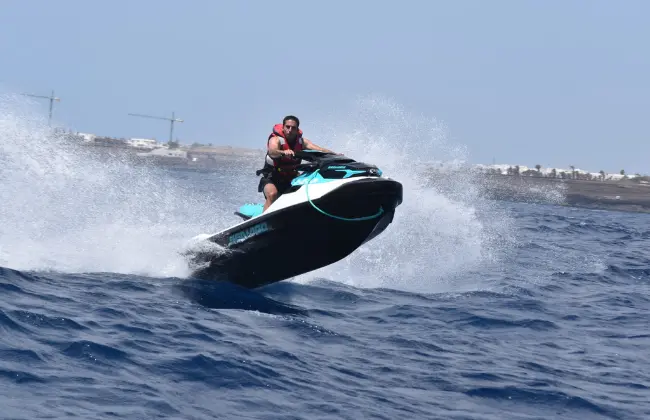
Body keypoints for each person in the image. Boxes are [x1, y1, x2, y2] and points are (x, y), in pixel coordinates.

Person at [257, 115, 338, 212]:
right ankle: (264, 219)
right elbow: (272, 151)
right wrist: (283, 152)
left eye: (293, 128)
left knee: (308, 192)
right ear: (283, 128)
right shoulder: (276, 139)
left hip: (291, 177)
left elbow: (320, 150)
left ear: (297, 130)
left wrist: (335, 154)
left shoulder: (302, 142)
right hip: (271, 177)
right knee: (272, 194)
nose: (290, 130)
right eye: (287, 127)